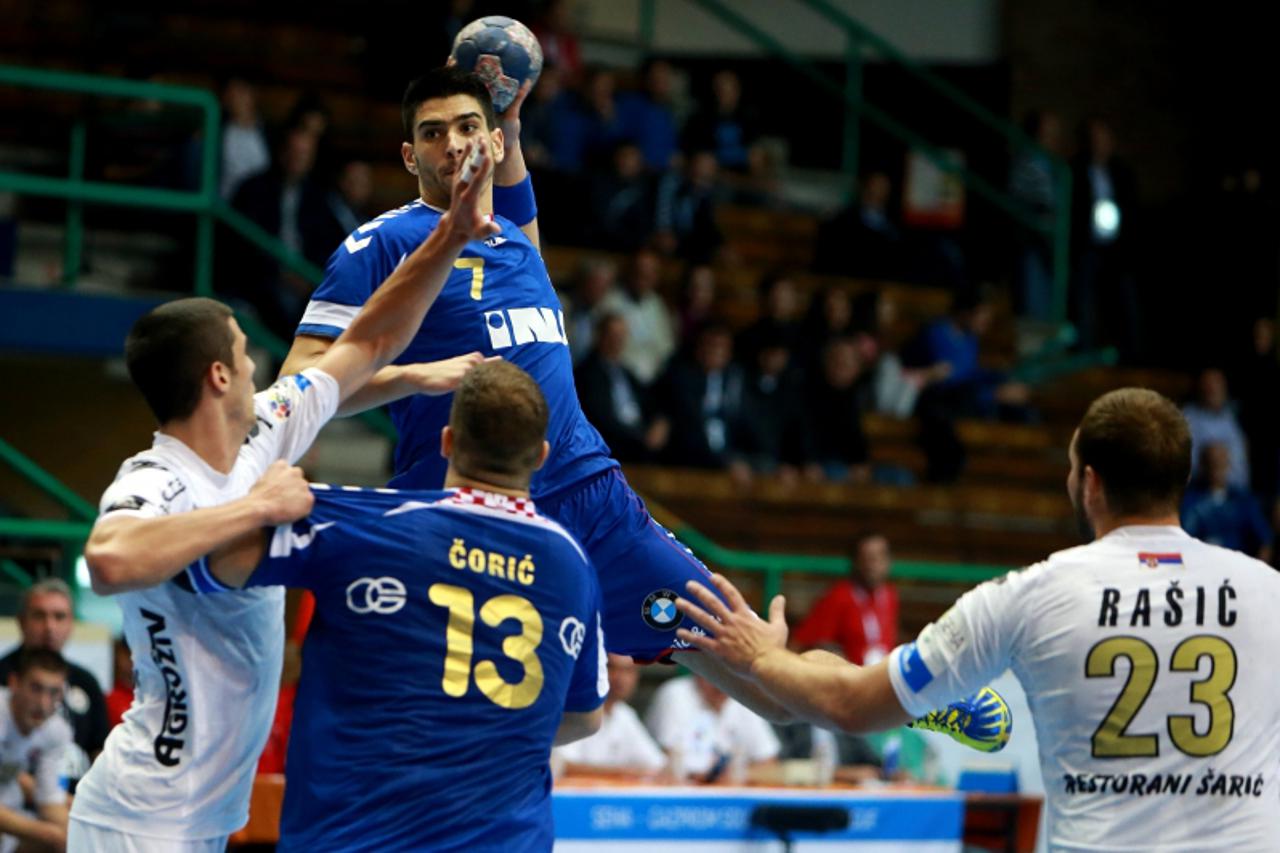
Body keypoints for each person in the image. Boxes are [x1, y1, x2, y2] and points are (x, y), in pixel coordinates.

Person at [281, 67, 791, 720]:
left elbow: (512, 174)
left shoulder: (517, 239)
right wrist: (411, 377)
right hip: (465, 502)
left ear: (492, 142)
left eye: (469, 128)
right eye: (433, 134)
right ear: (410, 156)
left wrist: (511, 118)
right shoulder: (381, 243)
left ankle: (911, 697)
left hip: (587, 493)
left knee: (744, 646)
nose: (453, 145)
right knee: (494, 710)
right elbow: (302, 384)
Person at [68, 132, 501, 852]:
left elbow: (365, 343)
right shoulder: (154, 477)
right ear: (216, 377)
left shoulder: (261, 430)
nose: (255, 363)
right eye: (243, 353)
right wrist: (259, 508)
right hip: (137, 818)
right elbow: (110, 557)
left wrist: (450, 238)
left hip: (205, 819)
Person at [677, 388, 1280, 851]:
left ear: (1089, 483)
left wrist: (761, 656)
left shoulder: (1031, 592)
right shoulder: (1267, 591)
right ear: (1180, 478)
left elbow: (851, 704)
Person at [206, 360, 605, 850]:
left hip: (354, 838)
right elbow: (584, 716)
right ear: (541, 455)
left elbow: (219, 559)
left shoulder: (366, 525)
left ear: (447, 442)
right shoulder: (573, 565)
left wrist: (258, 501)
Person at [0, 579, 108, 782]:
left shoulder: (86, 682)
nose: (49, 627)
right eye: (39, 616)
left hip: (75, 796)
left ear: (71, 624)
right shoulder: (2, 675)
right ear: (21, 621)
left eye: (59, 617)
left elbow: (100, 749)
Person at [644, 673, 780, 782]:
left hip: (730, 796)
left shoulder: (743, 699)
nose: (721, 683)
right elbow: (669, 761)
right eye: (715, 672)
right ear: (698, 670)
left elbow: (770, 764)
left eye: (728, 674)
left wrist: (737, 773)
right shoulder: (675, 694)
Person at [0, 649, 71, 853]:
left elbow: (49, 800)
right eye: (36, 688)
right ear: (14, 683)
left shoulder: (57, 730)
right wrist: (52, 835)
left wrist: (80, 836)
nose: (43, 703)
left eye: (54, 692)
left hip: (12, 812)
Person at [791, 533, 899, 666]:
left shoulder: (889, 595)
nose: (874, 564)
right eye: (868, 557)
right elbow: (799, 644)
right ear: (856, 561)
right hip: (849, 680)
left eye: (880, 556)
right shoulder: (839, 596)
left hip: (882, 677)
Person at [554, 654, 666, 777]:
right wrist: (624, 773)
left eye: (628, 671)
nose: (620, 678)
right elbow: (559, 765)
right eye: (611, 668)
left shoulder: (625, 714)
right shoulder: (572, 707)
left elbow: (657, 765)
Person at [1181, 444, 1272, 562]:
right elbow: (1181, 538)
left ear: (1228, 464)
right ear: (1202, 465)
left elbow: (1265, 541)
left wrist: (1257, 573)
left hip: (1237, 566)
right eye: (1211, 462)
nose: (1216, 467)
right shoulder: (1189, 500)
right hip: (1201, 565)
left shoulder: (1242, 500)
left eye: (1220, 462)